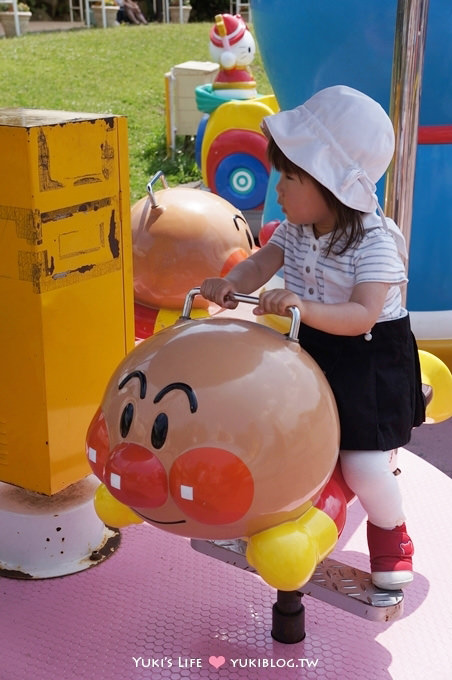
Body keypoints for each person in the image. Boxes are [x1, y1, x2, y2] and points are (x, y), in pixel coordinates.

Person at [200, 85, 425, 590]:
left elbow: (363, 316)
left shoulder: (375, 242)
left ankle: (393, 533)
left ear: (331, 184)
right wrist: (231, 285)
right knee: (280, 432)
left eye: (290, 176)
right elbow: (261, 262)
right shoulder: (296, 229)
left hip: (367, 361)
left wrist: (303, 305)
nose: (277, 188)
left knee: (362, 463)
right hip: (311, 347)